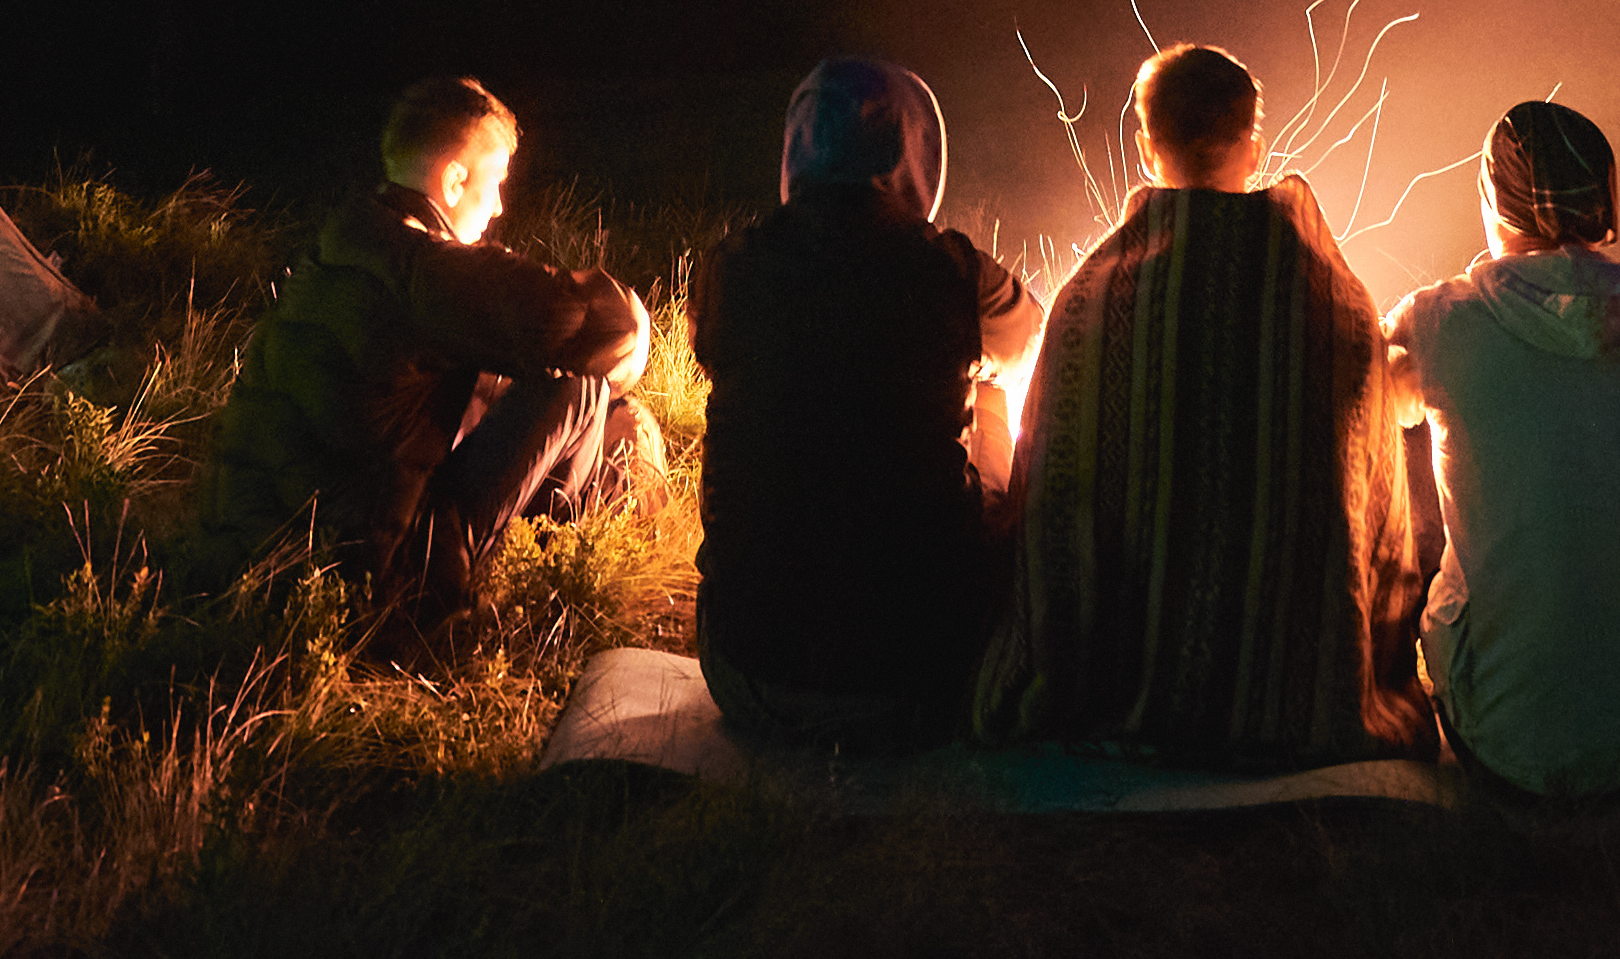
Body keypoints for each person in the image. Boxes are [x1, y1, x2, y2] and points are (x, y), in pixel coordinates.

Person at [971, 39, 1431, 768]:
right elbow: (1373, 509)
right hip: (1295, 687)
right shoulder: (1334, 298)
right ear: (1254, 145)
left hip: (1114, 677)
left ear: (1146, 147)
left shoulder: (1090, 299)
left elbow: (1051, 505)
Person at [180, 74, 655, 645]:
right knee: (579, 388)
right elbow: (612, 328)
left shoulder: (347, 242)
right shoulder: (425, 268)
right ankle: (540, 586)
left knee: (507, 380)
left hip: (247, 564)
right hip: (364, 593)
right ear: (454, 180)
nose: (499, 206)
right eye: (495, 183)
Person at [1388, 97, 1620, 802]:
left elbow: (1364, 413)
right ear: (1604, 202)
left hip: (1514, 740)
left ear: (1491, 200)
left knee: (1410, 435)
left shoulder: (1437, 323)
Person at [691, 55, 1039, 752]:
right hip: (918, 681)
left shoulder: (730, 266)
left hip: (743, 669)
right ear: (915, 155)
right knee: (994, 393)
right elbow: (1027, 336)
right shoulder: (952, 268)